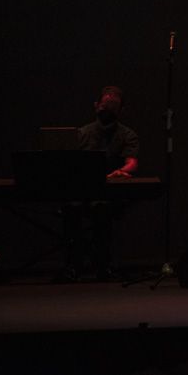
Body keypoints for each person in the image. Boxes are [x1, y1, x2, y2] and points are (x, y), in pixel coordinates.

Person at [59, 86, 140, 281]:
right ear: (96, 106)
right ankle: (73, 265)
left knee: (101, 208)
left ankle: (103, 265)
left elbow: (132, 162)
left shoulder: (127, 135)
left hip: (109, 194)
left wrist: (122, 171)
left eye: (113, 107)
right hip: (82, 192)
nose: (108, 111)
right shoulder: (81, 134)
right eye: (105, 106)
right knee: (72, 208)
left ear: (121, 111)